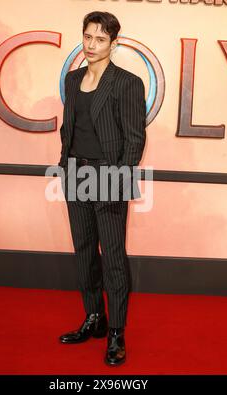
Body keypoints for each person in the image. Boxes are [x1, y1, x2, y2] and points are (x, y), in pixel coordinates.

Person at [58, 11, 146, 366]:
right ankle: (94, 317)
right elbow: (71, 127)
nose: (92, 45)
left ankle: (116, 333)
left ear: (114, 43)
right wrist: (65, 166)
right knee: (83, 251)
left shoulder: (127, 83)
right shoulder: (72, 78)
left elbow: (135, 139)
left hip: (107, 175)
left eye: (100, 39)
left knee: (112, 256)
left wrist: (118, 181)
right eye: (88, 37)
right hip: (75, 172)